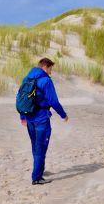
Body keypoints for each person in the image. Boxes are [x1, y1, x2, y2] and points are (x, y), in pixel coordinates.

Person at [19, 57, 68, 185]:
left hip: (29, 118)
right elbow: (53, 101)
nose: (51, 71)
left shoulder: (27, 78)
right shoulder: (46, 81)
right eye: (50, 68)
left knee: (35, 146)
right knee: (41, 147)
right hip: (41, 119)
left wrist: (22, 117)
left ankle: (39, 169)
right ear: (45, 67)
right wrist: (63, 115)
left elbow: (20, 97)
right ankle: (37, 178)